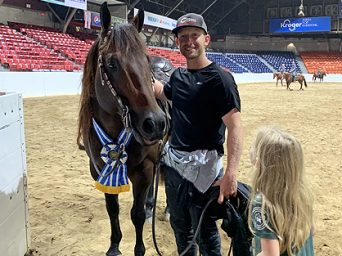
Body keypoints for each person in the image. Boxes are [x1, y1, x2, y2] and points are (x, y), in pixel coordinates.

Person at [153, 12, 243, 255]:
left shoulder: (220, 79)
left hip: (207, 170)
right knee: (180, 227)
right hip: (174, 170)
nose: (189, 41)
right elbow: (163, 92)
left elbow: (235, 126)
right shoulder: (178, 77)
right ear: (177, 42)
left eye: (195, 35)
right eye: (183, 37)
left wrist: (231, 173)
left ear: (207, 39)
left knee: (205, 231)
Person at [248, 126, 314, 256]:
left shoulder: (263, 203)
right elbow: (310, 232)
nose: (250, 149)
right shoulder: (303, 193)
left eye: (254, 147)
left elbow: (270, 254)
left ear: (259, 161)